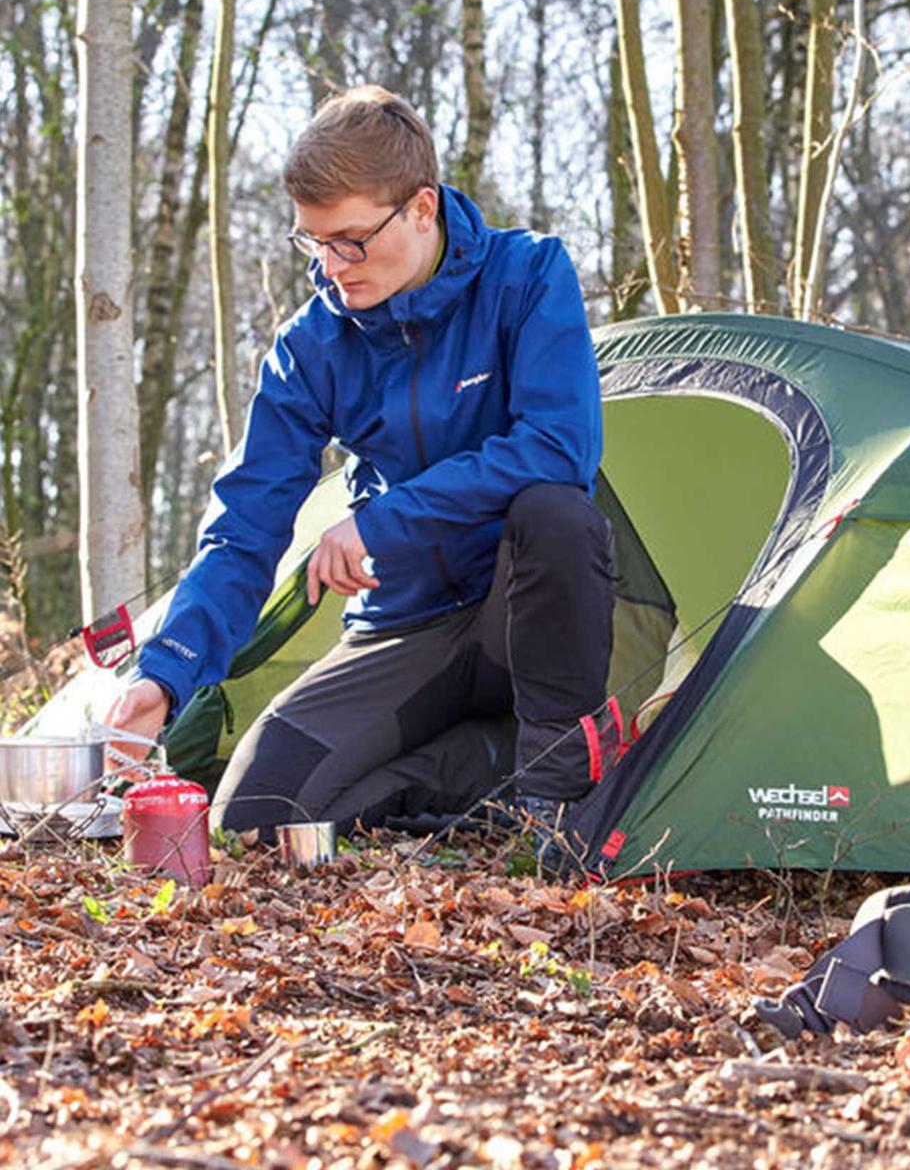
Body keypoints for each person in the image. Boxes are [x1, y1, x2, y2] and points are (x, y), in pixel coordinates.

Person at [106, 85, 618, 838]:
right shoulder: (309, 348)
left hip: (525, 609)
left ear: (421, 208)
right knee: (255, 819)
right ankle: (479, 762)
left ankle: (553, 795)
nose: (331, 266)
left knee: (557, 512)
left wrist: (384, 521)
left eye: (350, 240)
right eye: (313, 242)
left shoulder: (528, 275)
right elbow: (245, 527)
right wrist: (166, 671)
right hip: (403, 624)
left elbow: (559, 446)